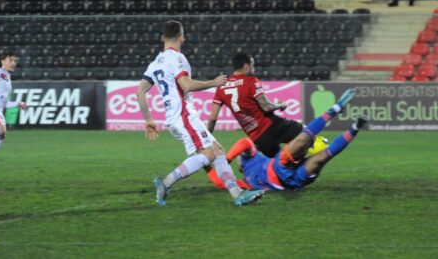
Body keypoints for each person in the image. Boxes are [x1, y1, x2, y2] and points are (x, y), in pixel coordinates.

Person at [137, 20, 265, 207]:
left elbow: (140, 91)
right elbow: (186, 85)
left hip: (176, 117)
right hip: (183, 115)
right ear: (182, 37)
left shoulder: (155, 63)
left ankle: (237, 193)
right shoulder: (177, 58)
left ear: (162, 37)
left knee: (218, 151)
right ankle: (165, 183)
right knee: (209, 154)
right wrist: (213, 82)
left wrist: (148, 120)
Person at [209, 88, 366, 192]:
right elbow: (220, 183)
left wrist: (227, 159)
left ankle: (336, 108)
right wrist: (205, 165)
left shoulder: (250, 157)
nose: (238, 164)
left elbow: (244, 143)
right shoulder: (245, 182)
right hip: (294, 182)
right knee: (322, 157)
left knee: (302, 139)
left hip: (279, 167)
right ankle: (355, 128)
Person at [206, 52, 303, 158]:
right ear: (246, 66)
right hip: (271, 126)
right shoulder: (251, 81)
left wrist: (207, 138)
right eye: (253, 65)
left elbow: (212, 119)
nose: (254, 68)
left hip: (258, 138)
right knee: (305, 132)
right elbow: (266, 107)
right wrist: (280, 105)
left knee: (278, 166)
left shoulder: (221, 88)